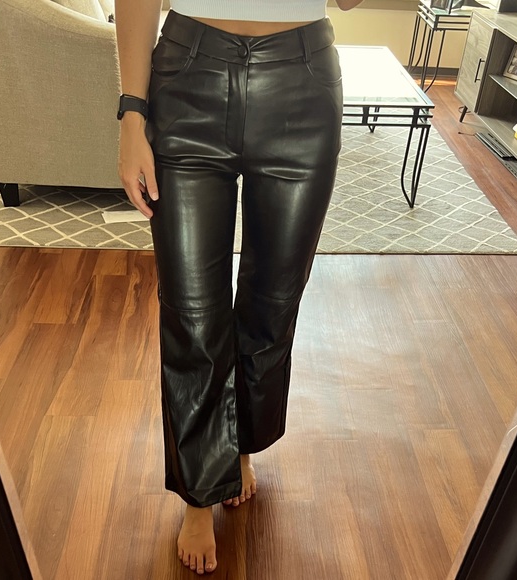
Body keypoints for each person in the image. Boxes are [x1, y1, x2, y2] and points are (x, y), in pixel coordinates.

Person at [115, 0, 362, 574]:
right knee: (191, 311)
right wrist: (131, 113)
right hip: (189, 78)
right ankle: (200, 493)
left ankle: (240, 442)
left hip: (302, 83)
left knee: (272, 302)